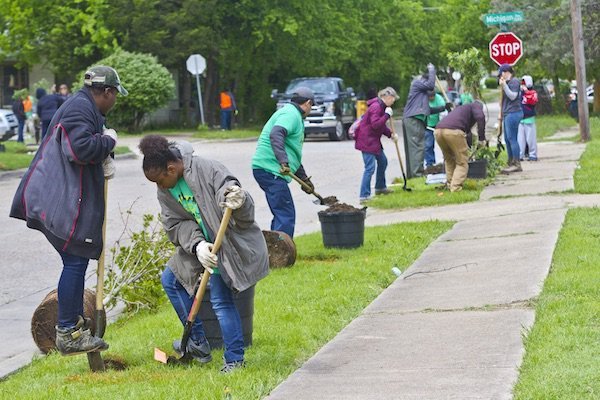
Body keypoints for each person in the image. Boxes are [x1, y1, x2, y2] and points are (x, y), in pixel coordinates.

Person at [10, 65, 127, 356]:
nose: (114, 101)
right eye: (115, 95)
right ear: (107, 92)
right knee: (75, 260)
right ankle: (67, 331)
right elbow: (79, 149)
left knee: (75, 260)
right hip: (54, 198)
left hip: (55, 196)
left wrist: (104, 150)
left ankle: (73, 324)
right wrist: (108, 141)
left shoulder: (84, 106)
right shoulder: (79, 109)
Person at [139, 135, 269, 373]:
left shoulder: (207, 169)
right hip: (201, 245)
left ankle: (234, 359)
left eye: (159, 180)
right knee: (170, 279)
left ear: (171, 168)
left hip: (226, 244)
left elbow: (231, 194)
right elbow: (174, 224)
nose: (158, 186)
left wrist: (237, 199)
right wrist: (198, 245)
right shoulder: (165, 191)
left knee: (221, 301)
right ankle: (198, 342)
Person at [251, 87, 315, 238]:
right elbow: (276, 133)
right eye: (311, 106)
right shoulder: (291, 114)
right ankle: (282, 253)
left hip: (269, 169)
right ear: (308, 103)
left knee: (282, 212)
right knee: (285, 213)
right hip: (270, 169)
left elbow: (293, 153)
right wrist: (283, 162)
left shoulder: (292, 115)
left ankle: (274, 249)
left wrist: (304, 179)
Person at [402, 64, 451, 178]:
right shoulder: (418, 83)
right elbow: (430, 84)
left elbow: (428, 110)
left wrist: (444, 107)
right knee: (417, 147)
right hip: (414, 120)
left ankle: (413, 175)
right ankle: (417, 174)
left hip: (414, 119)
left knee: (414, 148)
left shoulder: (421, 93)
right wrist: (432, 68)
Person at [354, 87, 399, 203]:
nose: (393, 102)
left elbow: (381, 126)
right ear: (388, 97)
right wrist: (386, 116)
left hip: (373, 141)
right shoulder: (376, 107)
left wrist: (391, 134)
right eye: (393, 99)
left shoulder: (381, 107)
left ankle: (380, 188)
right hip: (367, 141)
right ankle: (364, 195)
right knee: (369, 168)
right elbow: (375, 125)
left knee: (383, 161)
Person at [434, 100, 487, 192]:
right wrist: (481, 139)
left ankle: (450, 184)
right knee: (462, 162)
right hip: (453, 131)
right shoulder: (475, 106)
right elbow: (480, 117)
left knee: (449, 159)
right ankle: (455, 187)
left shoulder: (461, 109)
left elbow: (467, 132)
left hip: (438, 130)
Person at [497, 64, 523, 174]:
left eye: (501, 73)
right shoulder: (507, 83)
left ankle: (517, 163)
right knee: (507, 139)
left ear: (506, 72)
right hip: (507, 113)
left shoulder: (514, 82)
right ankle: (511, 161)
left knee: (512, 138)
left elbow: (513, 96)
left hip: (514, 113)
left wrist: (504, 85)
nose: (500, 76)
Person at [424, 90, 447, 173]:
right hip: (427, 125)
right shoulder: (424, 99)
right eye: (429, 97)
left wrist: (441, 125)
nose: (431, 98)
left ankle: (446, 161)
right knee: (428, 145)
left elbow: (444, 113)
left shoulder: (439, 99)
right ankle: (430, 164)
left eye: (432, 97)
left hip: (439, 124)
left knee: (444, 144)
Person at [518, 75, 538, 161]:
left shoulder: (533, 93)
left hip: (529, 118)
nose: (523, 85)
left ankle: (532, 154)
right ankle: (520, 155)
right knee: (520, 139)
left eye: (524, 83)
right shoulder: (519, 93)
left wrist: (527, 91)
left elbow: (533, 101)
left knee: (530, 139)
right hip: (520, 119)